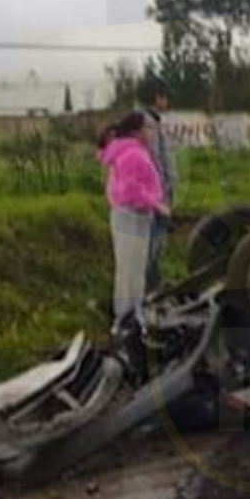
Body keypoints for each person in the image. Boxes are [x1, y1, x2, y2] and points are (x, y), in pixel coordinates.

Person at [97, 111, 171, 332]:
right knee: (131, 269)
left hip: (131, 215)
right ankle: (126, 319)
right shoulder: (133, 154)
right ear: (137, 132)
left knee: (132, 269)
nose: (151, 133)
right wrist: (157, 204)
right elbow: (130, 191)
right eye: (148, 128)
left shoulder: (129, 150)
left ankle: (130, 316)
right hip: (133, 215)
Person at [136, 78, 176, 292]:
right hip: (154, 196)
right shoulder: (147, 122)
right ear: (157, 97)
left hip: (157, 194)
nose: (167, 101)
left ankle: (153, 283)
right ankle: (147, 289)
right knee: (151, 244)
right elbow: (154, 160)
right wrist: (160, 197)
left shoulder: (151, 120)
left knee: (156, 244)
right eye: (165, 97)